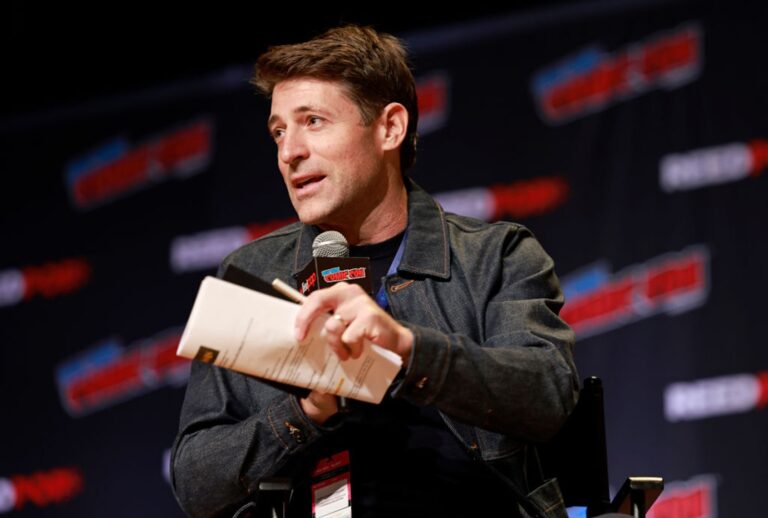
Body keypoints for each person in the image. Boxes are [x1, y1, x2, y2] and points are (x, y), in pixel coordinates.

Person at [171, 25, 578, 518]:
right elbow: (195, 482)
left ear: (390, 128)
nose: (289, 152)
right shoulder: (251, 271)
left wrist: (408, 348)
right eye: (279, 130)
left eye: (313, 121)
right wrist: (306, 412)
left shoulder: (496, 255)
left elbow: (548, 395)